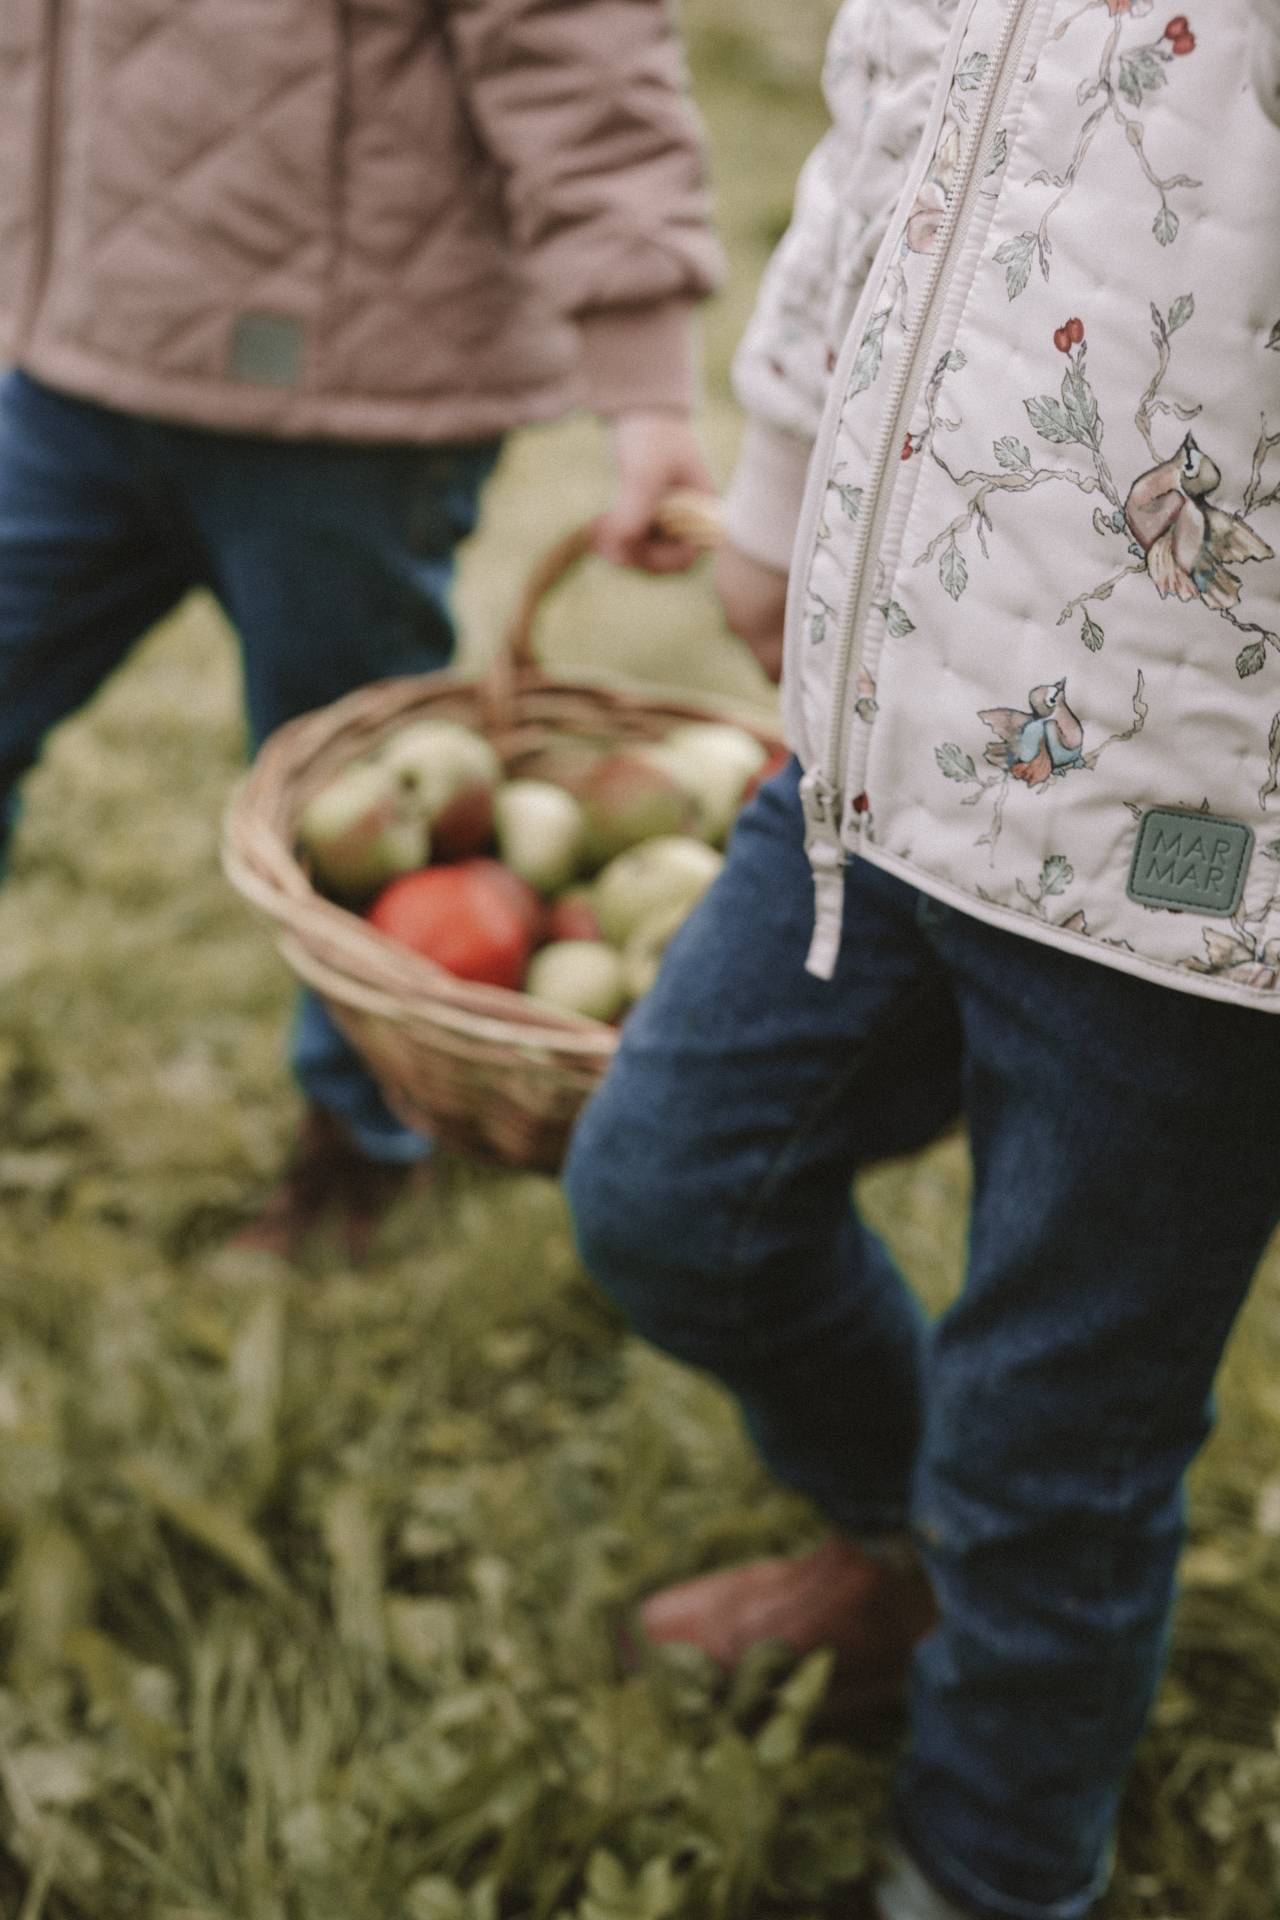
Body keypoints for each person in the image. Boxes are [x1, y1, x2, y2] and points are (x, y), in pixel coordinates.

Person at [565, 4, 1280, 1916]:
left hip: (1194, 866)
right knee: (669, 1190)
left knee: (1056, 1440)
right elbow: (880, 133)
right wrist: (784, 485)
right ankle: (901, 1555)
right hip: (885, 750)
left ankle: (986, 1866)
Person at [0, 0, 720, 1260]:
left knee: (366, 823)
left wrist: (644, 382)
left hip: (346, 396)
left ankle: (366, 1151)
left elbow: (573, 43)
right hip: (72, 358)